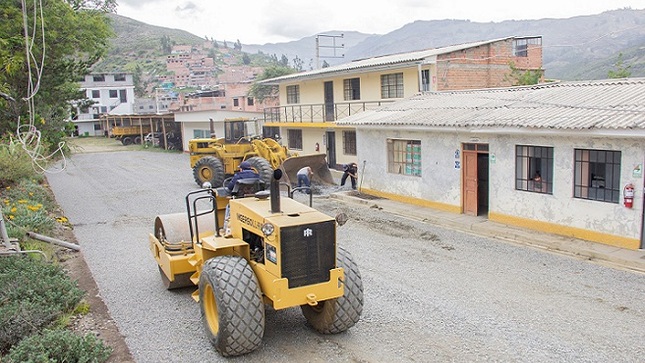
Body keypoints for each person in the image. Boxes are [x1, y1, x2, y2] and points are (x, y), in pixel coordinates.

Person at [223, 161, 259, 236]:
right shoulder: (257, 176)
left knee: (228, 207)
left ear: (241, 169)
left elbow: (230, 187)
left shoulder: (238, 176)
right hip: (254, 201)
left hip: (240, 200)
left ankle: (226, 227)